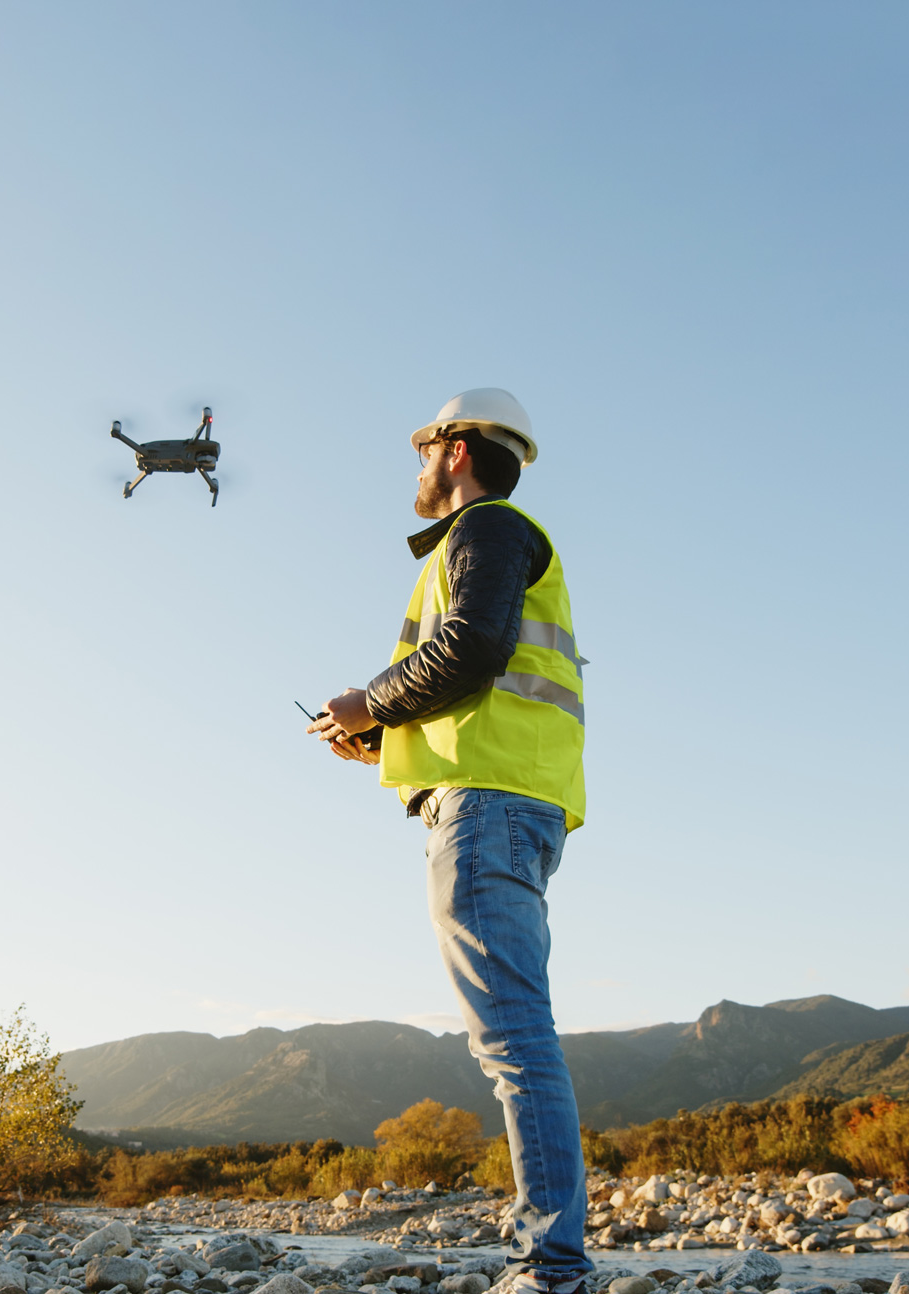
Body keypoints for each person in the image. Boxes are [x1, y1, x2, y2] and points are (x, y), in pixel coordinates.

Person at [306, 388, 588, 1294]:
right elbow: (476, 679)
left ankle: (551, 1268)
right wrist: (384, 741)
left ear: (457, 449)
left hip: (489, 808)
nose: (418, 466)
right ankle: (553, 1261)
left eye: (424, 447)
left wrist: (368, 703)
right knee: (517, 1034)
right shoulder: (495, 538)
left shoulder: (490, 532)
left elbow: (471, 646)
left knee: (513, 1039)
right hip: (512, 802)